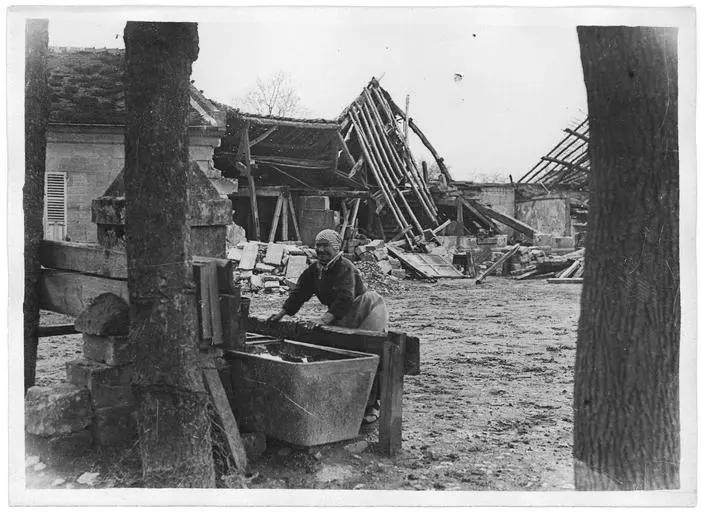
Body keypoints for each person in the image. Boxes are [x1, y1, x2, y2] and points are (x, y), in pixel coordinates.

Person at [267, 228, 388, 423]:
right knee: (338, 352)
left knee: (365, 353)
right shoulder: (314, 270)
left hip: (366, 308)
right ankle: (346, 403)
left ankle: (371, 406)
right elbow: (299, 293)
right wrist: (282, 313)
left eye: (326, 246)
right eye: (318, 246)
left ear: (336, 248)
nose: (321, 250)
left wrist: (323, 320)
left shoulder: (345, 267)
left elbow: (345, 298)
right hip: (344, 313)